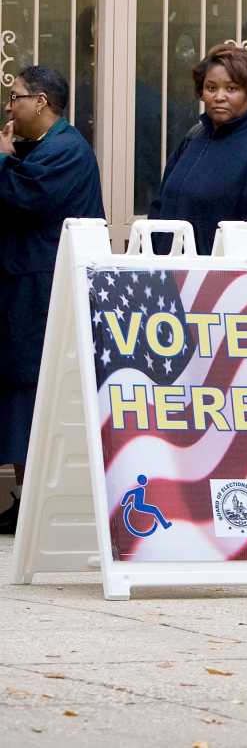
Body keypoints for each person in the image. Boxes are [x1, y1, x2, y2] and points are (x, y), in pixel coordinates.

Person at [0, 66, 106, 534]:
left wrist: (2, 158)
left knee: (33, 394)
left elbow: (25, 195)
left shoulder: (66, 151)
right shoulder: (47, 147)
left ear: (40, 102)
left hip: (44, 296)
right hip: (26, 290)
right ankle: (26, 501)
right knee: (22, 396)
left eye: (15, 97)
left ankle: (36, 506)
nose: (9, 106)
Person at [149, 43, 247, 289]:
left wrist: (233, 294)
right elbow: (162, 205)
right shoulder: (193, 139)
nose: (219, 97)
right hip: (168, 289)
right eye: (211, 88)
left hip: (224, 304)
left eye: (232, 88)